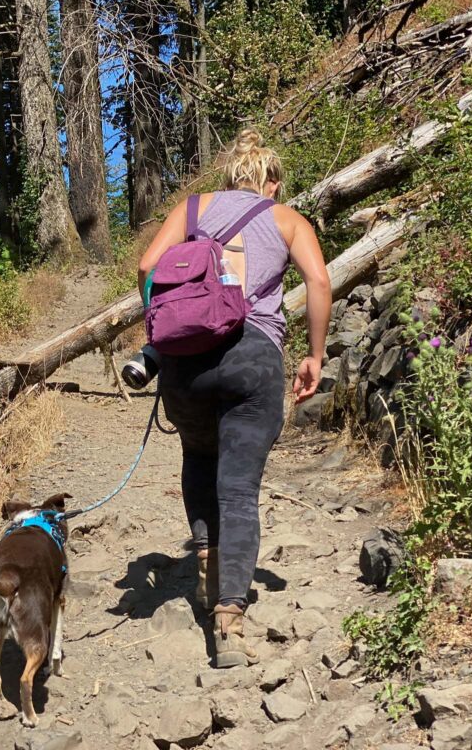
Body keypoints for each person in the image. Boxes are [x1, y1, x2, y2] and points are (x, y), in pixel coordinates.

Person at [137, 128, 332, 668]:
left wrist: (163, 332)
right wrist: (315, 354)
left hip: (187, 362)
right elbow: (319, 281)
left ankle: (206, 567)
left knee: (199, 458)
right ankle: (229, 620)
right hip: (254, 355)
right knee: (240, 488)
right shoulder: (286, 218)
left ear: (229, 180)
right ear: (271, 182)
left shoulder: (194, 208)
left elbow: (146, 267)